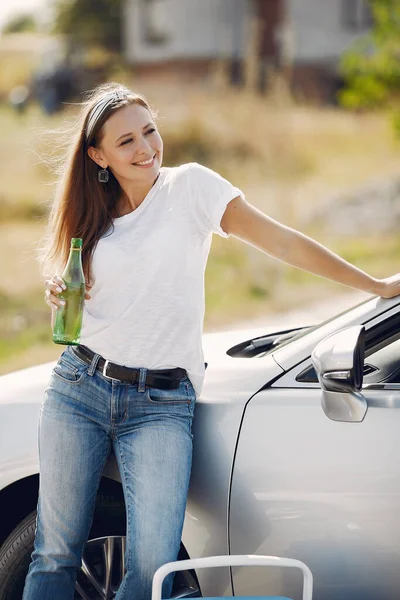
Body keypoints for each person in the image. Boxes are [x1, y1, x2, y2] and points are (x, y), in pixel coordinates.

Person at [23, 82, 400, 600]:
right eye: (126, 141)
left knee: (153, 566)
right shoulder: (91, 217)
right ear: (98, 156)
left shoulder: (192, 189)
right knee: (55, 554)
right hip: (80, 387)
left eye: (150, 131)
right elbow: (97, 305)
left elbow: (283, 241)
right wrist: (64, 297)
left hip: (161, 404)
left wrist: (376, 285)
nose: (146, 148)